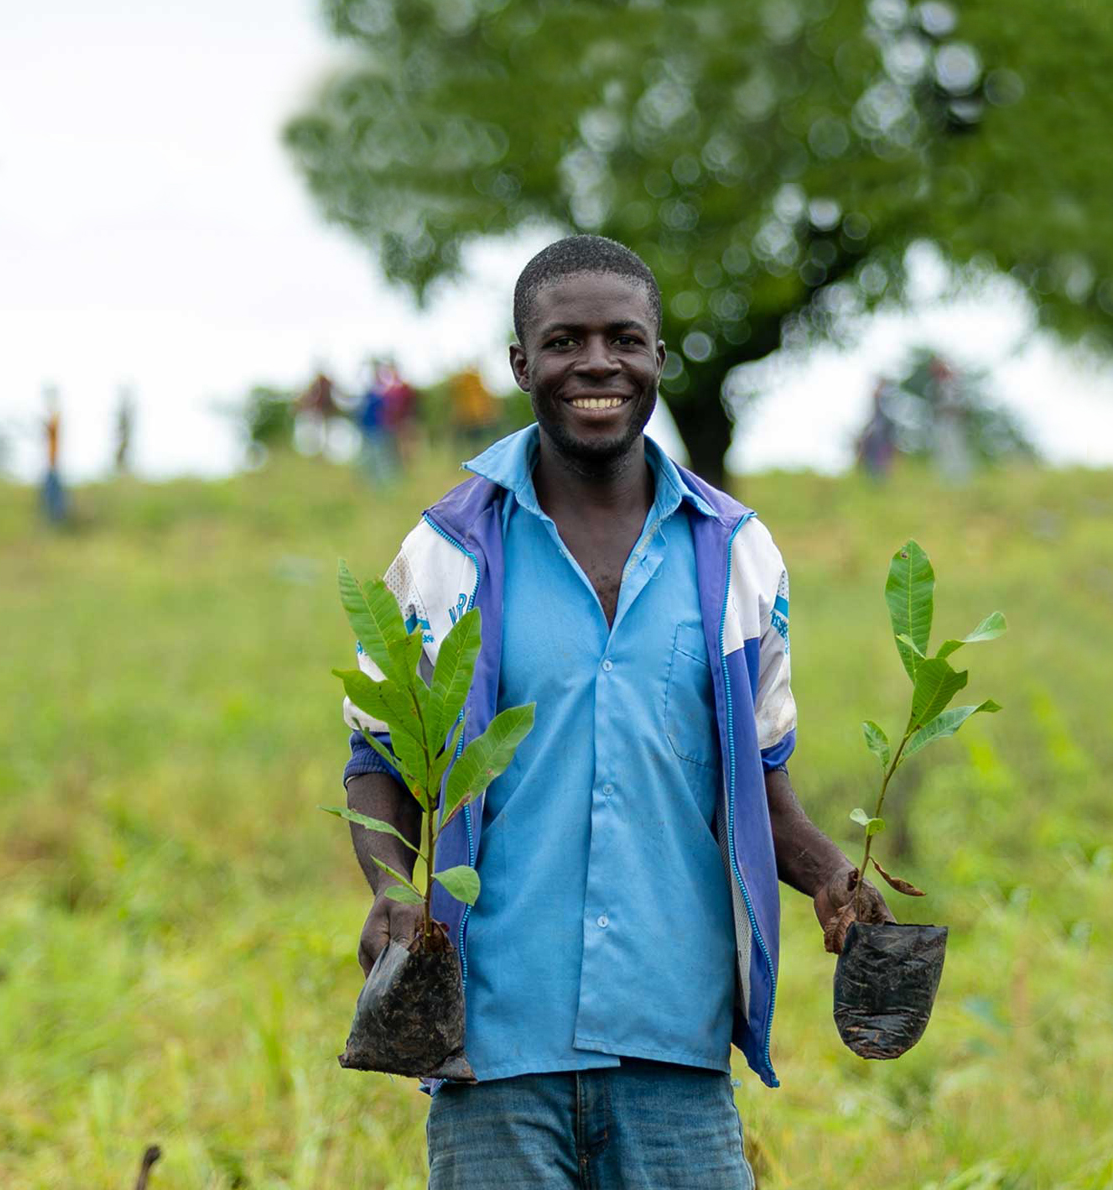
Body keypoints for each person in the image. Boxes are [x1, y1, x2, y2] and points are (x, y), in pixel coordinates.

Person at [337, 236, 893, 1189]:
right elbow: (381, 763)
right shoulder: (447, 555)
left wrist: (836, 877)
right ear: (522, 365)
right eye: (564, 342)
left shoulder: (737, 556)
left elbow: (761, 790)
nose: (597, 363)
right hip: (494, 1047)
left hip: (674, 1042)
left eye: (624, 339)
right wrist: (392, 890)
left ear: (659, 361)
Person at [40, 385, 69, 526]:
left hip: (53, 465)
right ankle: (54, 523)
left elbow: (52, 428)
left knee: (54, 501)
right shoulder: (54, 418)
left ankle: (57, 523)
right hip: (51, 465)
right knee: (48, 499)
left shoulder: (56, 418)